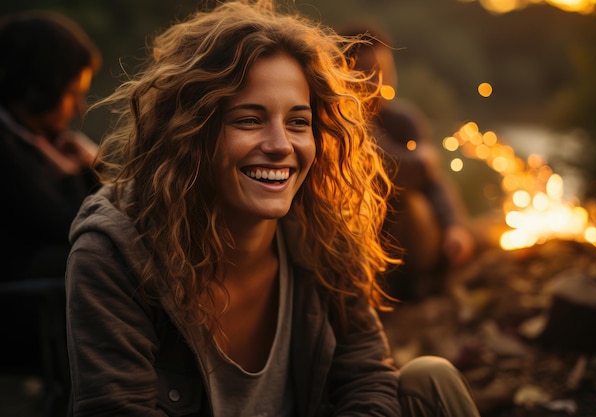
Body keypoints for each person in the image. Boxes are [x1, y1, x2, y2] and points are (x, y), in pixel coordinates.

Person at [65, 1, 482, 416]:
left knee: (430, 380)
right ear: (192, 132)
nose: (281, 145)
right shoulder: (116, 253)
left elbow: (366, 376)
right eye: (249, 120)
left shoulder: (325, 230)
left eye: (298, 122)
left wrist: (452, 221)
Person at [0, 10, 101, 414]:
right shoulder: (8, 152)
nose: (79, 108)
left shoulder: (46, 145)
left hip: (56, 305)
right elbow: (70, 226)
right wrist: (76, 173)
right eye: (72, 92)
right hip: (24, 312)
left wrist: (90, 167)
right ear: (37, 87)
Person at [340, 24, 477, 301]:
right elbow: (391, 165)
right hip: (358, 250)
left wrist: (454, 226)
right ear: (344, 73)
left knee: (417, 205)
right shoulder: (341, 120)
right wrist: (421, 163)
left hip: (408, 253)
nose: (382, 83)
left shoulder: (403, 120)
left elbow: (433, 181)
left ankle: (428, 279)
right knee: (405, 203)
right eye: (369, 73)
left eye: (387, 72)